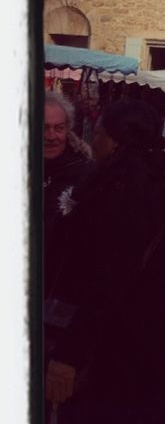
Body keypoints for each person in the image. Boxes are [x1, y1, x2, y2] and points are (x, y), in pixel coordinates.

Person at [44, 99, 165, 424]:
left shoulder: (114, 189)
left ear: (115, 139)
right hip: (154, 344)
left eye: (99, 132)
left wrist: (69, 354)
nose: (95, 139)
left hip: (111, 347)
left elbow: (107, 280)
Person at [42, 91, 94, 294]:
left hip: (62, 286)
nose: (52, 136)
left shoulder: (85, 172)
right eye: (44, 128)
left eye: (59, 128)